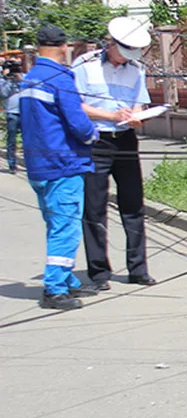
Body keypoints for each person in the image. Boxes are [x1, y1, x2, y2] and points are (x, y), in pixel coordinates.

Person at [21, 26, 108, 310]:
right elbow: (77, 122)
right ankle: (54, 289)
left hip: (38, 165)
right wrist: (93, 135)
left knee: (55, 224)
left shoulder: (30, 78)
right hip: (64, 164)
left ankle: (67, 280)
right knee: (66, 227)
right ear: (63, 47)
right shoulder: (59, 78)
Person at [72, 16, 155, 289]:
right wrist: (110, 114)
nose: (125, 58)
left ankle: (138, 269)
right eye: (123, 52)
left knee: (133, 203)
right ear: (111, 44)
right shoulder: (85, 65)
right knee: (94, 207)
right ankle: (99, 273)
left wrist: (137, 117)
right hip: (96, 141)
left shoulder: (135, 70)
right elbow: (77, 105)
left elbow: (140, 103)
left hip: (126, 140)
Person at [1, 60, 22, 173]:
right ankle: (12, 164)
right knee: (12, 141)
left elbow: (28, 88)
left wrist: (19, 78)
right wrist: (8, 79)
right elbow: (3, 93)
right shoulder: (2, 81)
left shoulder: (23, 78)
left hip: (24, 112)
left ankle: (31, 163)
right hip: (12, 113)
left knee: (28, 140)